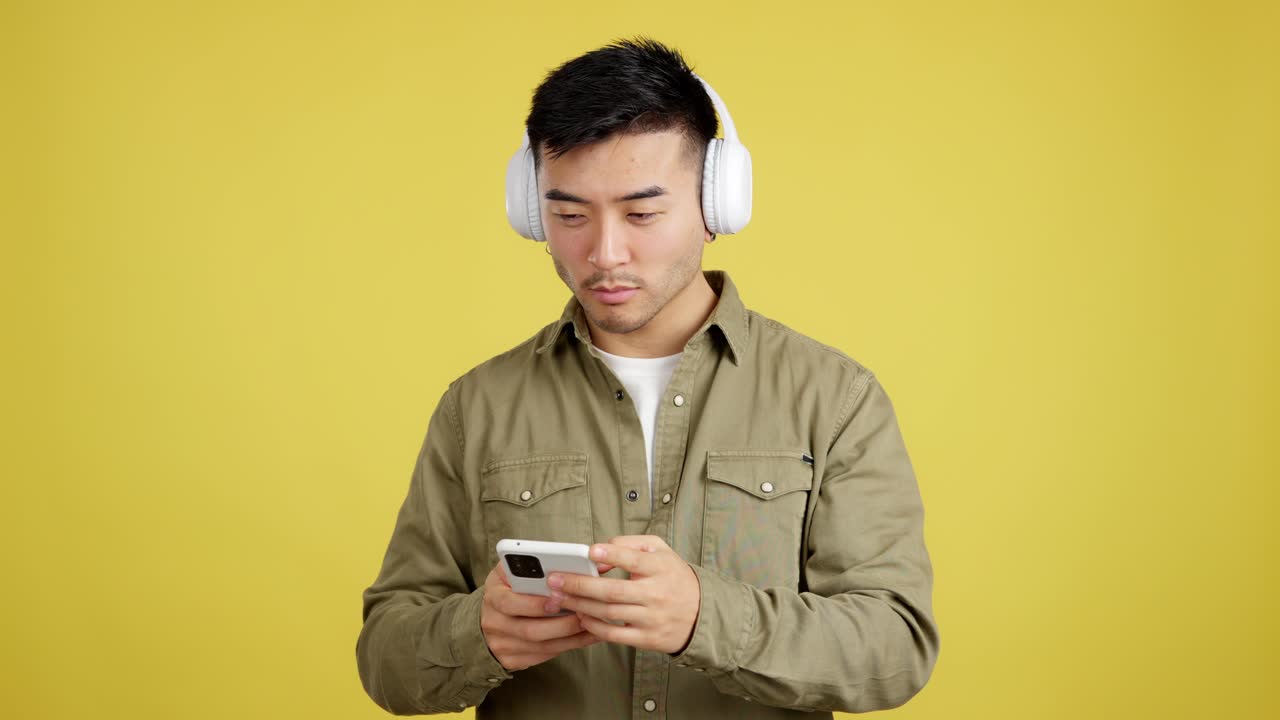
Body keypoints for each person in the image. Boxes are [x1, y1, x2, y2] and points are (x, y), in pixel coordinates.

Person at [356, 36, 939, 718]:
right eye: (569, 215)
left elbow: (896, 648)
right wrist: (476, 635)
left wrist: (706, 619)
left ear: (717, 205)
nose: (604, 253)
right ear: (530, 207)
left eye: (643, 214)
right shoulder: (476, 407)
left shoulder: (835, 400)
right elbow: (385, 658)